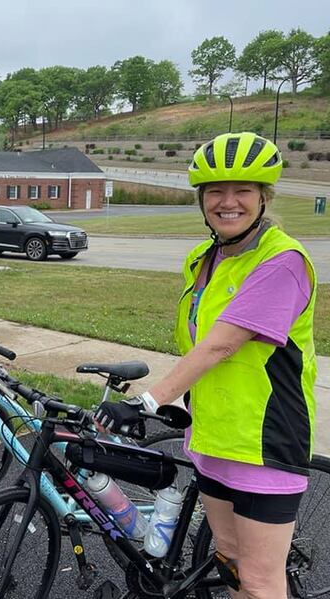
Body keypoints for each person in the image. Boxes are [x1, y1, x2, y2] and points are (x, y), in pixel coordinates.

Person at [95, 132, 317, 599]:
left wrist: (149, 400)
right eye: (215, 191)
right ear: (201, 200)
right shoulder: (204, 260)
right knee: (230, 563)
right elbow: (195, 348)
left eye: (243, 190)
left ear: (264, 197)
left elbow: (221, 346)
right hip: (213, 435)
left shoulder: (283, 261)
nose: (228, 201)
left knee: (259, 581)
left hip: (264, 440)